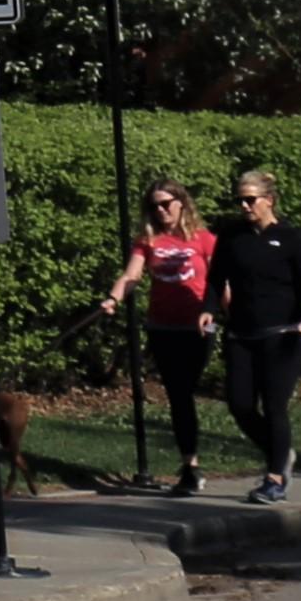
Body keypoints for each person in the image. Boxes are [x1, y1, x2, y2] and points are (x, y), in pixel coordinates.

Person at [203, 167, 301, 507]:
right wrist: (208, 308)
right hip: (242, 333)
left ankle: (275, 477)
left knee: (274, 405)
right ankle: (281, 453)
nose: (244, 206)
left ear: (269, 200)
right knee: (240, 404)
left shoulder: (289, 238)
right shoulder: (232, 236)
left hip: (285, 334)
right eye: (240, 200)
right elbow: (215, 279)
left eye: (250, 199)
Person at [98, 180, 219, 492]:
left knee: (186, 391)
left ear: (182, 203)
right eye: (155, 206)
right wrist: (113, 298)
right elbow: (132, 275)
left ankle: (192, 462)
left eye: (167, 203)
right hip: (162, 327)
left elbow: (221, 284)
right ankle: (190, 466)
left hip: (198, 326)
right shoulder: (148, 240)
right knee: (179, 396)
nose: (161, 210)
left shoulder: (204, 240)